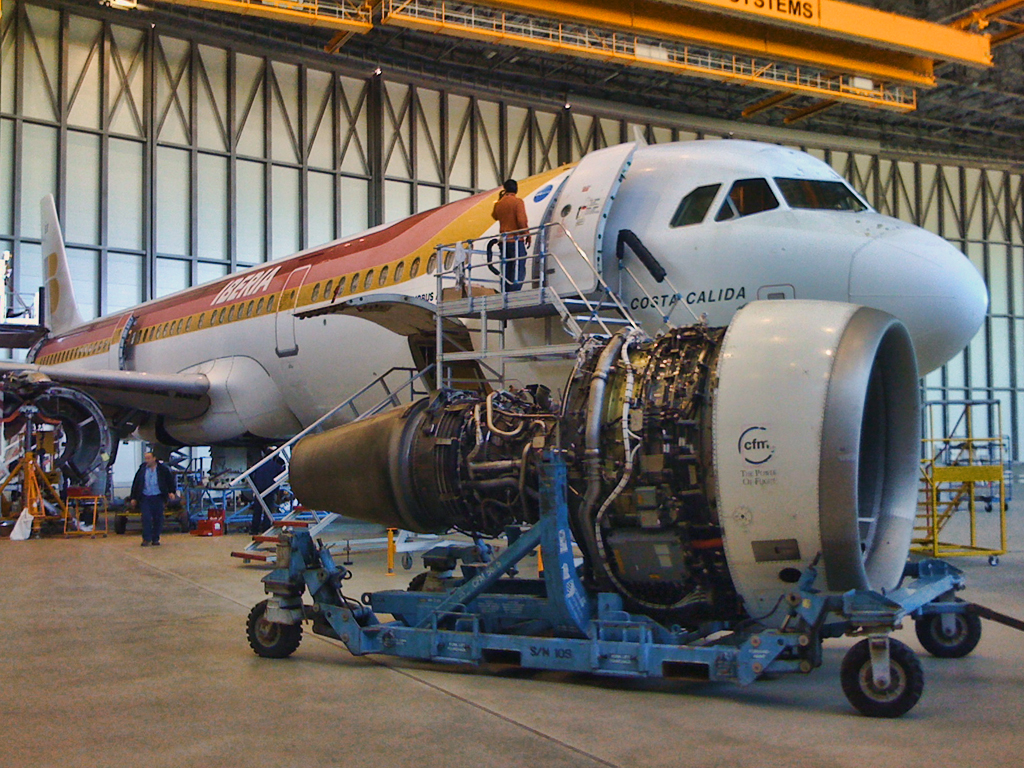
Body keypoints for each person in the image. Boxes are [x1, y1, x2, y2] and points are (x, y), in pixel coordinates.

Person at [128, 451, 177, 546]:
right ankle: (146, 539)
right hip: (145, 497)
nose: (147, 460)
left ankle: (155, 538)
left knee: (158, 518)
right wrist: (133, 498)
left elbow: (170, 481)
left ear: (154, 458)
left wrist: (171, 492)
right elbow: (136, 483)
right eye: (146, 458)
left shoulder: (163, 469)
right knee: (146, 518)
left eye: (148, 458)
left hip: (158, 497)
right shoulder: (142, 470)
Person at [491, 179, 530, 291]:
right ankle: (515, 291)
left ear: (505, 189)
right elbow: (521, 221)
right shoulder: (518, 202)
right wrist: (527, 233)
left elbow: (495, 216)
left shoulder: (499, 204)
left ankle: (506, 290)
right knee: (518, 267)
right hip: (515, 240)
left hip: (504, 241)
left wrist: (501, 199)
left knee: (506, 268)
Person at [248, 449, 285, 535]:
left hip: (259, 490)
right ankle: (266, 529)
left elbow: (250, 474)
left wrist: (254, 484)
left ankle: (254, 529)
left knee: (257, 510)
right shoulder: (276, 466)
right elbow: (281, 475)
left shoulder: (259, 464)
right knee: (268, 510)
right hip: (270, 489)